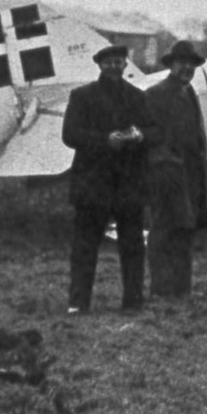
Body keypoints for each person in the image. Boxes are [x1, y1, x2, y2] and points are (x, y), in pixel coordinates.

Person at [61, 44, 158, 314]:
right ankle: (78, 303)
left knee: (133, 245)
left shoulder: (138, 96)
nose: (115, 67)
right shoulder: (81, 96)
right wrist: (105, 141)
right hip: (94, 182)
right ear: (100, 65)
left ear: (126, 65)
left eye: (119, 62)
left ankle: (133, 300)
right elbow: (69, 135)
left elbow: (154, 131)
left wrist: (139, 136)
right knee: (85, 246)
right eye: (109, 62)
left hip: (128, 182)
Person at [144, 40, 207, 298]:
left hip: (190, 172)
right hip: (167, 173)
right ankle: (161, 289)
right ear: (171, 64)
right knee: (163, 229)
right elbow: (149, 134)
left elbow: (194, 131)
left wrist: (202, 157)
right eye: (182, 63)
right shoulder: (155, 94)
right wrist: (164, 162)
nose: (187, 68)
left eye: (191, 64)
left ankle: (182, 288)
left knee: (186, 228)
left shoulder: (189, 91)